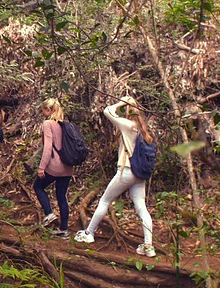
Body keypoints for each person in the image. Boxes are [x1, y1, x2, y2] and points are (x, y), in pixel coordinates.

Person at [74, 96, 156, 257]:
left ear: (128, 112)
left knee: (104, 200)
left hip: (126, 171)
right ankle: (148, 246)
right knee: (141, 207)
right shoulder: (143, 130)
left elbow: (107, 111)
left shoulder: (127, 125)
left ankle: (89, 233)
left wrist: (121, 102)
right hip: (140, 174)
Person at [33, 98, 73, 239]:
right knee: (62, 197)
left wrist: (41, 167)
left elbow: (48, 147)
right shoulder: (64, 125)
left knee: (38, 186)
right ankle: (64, 230)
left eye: (43, 110)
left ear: (49, 110)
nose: (43, 113)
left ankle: (49, 214)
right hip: (68, 166)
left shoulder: (48, 124)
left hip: (55, 166)